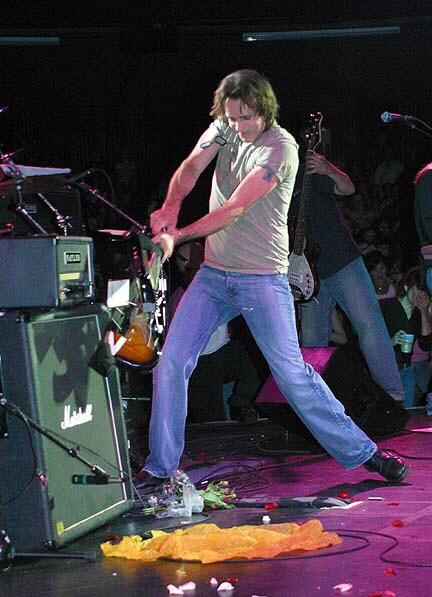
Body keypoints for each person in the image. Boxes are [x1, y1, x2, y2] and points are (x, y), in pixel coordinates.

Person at [137, 69, 409, 491]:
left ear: (265, 112)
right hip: (214, 276)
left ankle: (364, 452)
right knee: (170, 362)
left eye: (246, 119)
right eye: (231, 118)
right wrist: (170, 206)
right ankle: (160, 468)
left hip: (262, 279)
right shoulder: (224, 127)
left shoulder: (281, 149)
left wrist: (179, 235)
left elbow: (234, 209)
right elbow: (190, 167)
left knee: (293, 375)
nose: (237, 127)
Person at [291, 151, 405, 403]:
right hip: (308, 274)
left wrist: (327, 167)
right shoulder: (272, 184)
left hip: (342, 260)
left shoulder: (307, 170)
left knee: (368, 326)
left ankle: (392, 394)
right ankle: (315, 404)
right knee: (311, 342)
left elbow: (348, 188)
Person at [169, 241, 261, 423]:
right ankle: (214, 426)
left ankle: (242, 404)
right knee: (205, 373)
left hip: (219, 358)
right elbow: (197, 347)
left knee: (256, 345)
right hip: (198, 366)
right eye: (199, 262)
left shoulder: (214, 288)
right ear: (186, 268)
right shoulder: (181, 298)